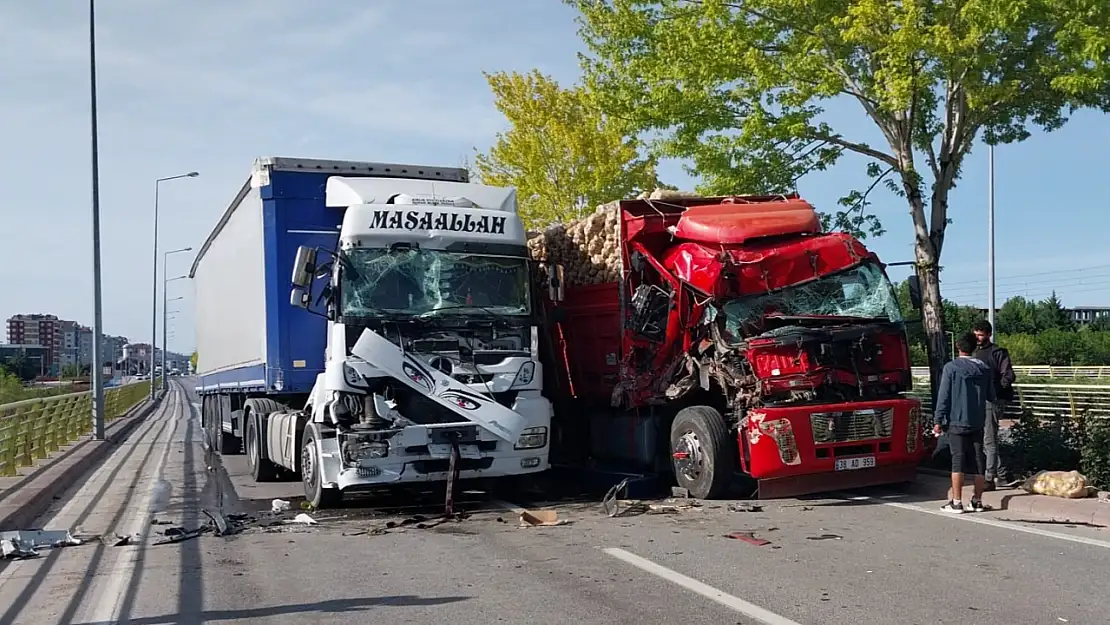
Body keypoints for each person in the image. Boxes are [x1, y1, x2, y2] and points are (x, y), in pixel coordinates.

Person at [933, 332, 995, 513]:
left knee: (957, 460)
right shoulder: (984, 369)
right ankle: (977, 500)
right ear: (974, 348)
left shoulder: (951, 368)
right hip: (977, 420)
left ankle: (956, 501)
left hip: (957, 420)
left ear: (958, 348)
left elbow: (944, 396)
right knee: (978, 460)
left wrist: (938, 420)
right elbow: (991, 395)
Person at [972, 319, 1016, 490]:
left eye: (980, 335)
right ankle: (1003, 474)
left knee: (988, 440)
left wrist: (995, 392)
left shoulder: (997, 352)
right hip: (977, 400)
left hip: (991, 400)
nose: (977, 338)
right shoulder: (974, 352)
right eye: (975, 334)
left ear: (989, 335)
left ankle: (990, 478)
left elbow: (1009, 375)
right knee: (984, 441)